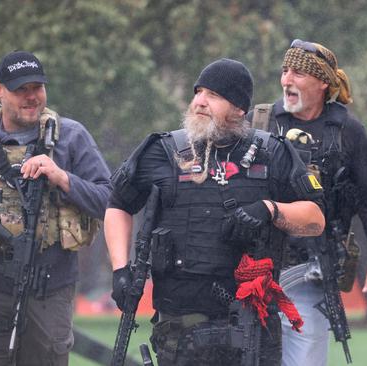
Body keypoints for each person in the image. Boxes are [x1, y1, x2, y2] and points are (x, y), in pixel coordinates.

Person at [105, 58, 325, 366]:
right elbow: (118, 204)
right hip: (180, 328)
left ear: (238, 109)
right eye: (198, 92)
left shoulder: (273, 153)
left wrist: (270, 209)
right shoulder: (163, 151)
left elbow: (315, 219)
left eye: (214, 95)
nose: (200, 102)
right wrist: (119, 270)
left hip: (253, 325)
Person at [0, 50, 111, 365]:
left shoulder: (71, 137)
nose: (31, 97)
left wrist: (63, 178)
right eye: (20, 89)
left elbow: (109, 201)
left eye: (37, 88)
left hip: (49, 288)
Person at [247, 39, 367, 366]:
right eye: (285, 71)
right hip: (255, 267)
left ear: (322, 82)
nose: (287, 79)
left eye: (298, 72)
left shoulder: (346, 129)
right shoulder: (261, 123)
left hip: (311, 270)